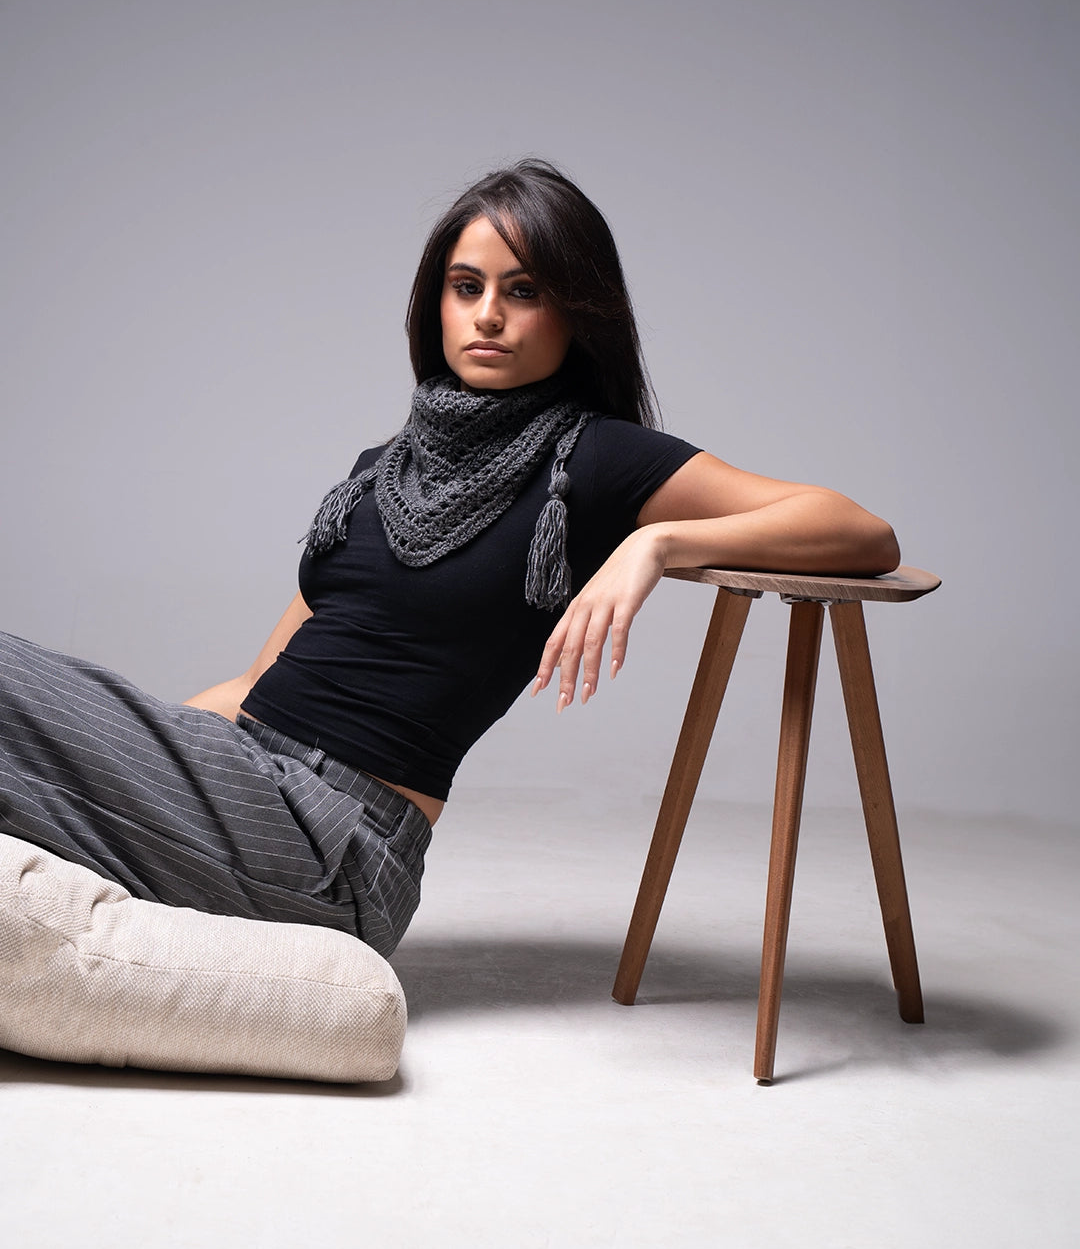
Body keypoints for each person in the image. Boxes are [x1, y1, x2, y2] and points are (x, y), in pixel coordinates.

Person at [0, 160, 899, 960]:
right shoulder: (379, 472)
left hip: (335, 847)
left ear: (575, 312)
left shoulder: (594, 460)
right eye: (466, 287)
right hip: (240, 787)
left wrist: (656, 544)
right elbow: (254, 683)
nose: (489, 316)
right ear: (436, 305)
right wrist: (134, 749)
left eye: (524, 290)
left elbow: (861, 531)